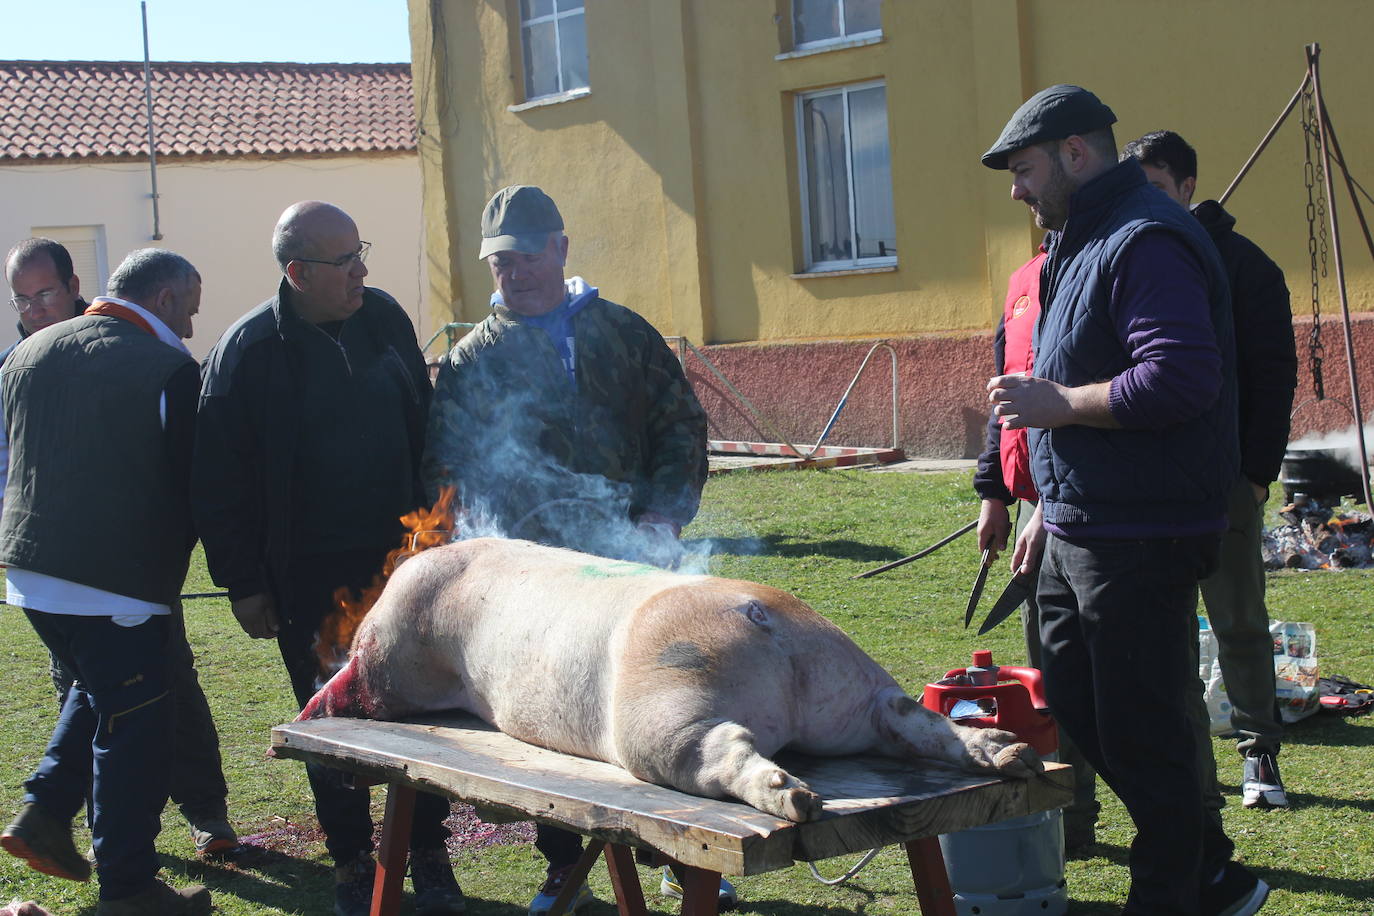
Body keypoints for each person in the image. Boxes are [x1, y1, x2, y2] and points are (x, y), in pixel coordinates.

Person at [982, 85, 1268, 915]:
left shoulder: (1144, 238)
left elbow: (1179, 376)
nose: (1016, 190)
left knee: (1144, 729)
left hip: (1142, 533)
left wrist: (1058, 405)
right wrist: (1044, 506)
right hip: (1078, 525)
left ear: (1077, 153)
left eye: (1025, 169)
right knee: (1074, 704)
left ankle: (1176, 893)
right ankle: (1211, 870)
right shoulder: (1080, 238)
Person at [421, 185, 718, 915]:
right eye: (499, 265)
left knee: (658, 703)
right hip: (537, 581)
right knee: (553, 722)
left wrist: (662, 514)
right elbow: (449, 470)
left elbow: (681, 425)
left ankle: (685, 860)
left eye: (525, 257)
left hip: (633, 560)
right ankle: (566, 867)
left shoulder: (623, 334)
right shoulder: (471, 362)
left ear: (559, 249)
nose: (513, 275)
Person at [191, 202, 463, 916]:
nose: (362, 271)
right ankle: (351, 860)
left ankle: (429, 854)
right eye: (346, 261)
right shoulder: (248, 350)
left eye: (360, 253)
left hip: (400, 562)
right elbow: (216, 483)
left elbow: (424, 427)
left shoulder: (385, 321)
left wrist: (438, 532)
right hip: (305, 575)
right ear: (298, 272)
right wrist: (243, 584)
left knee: (417, 706)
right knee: (330, 718)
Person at [3, 237, 238, 858]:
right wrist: (244, 572)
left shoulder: (28, 354)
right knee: (135, 724)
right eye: (188, 308)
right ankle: (126, 879)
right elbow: (196, 483)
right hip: (117, 579)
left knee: (98, 689)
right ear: (163, 298)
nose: (191, 326)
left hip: (30, 574)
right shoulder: (166, 368)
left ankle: (46, 814)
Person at [1122, 130, 1298, 810]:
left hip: (1224, 478)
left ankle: (1260, 754)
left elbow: (1272, 376)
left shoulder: (1244, 265)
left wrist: (1256, 472)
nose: (1147, 203)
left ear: (1188, 186)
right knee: (1163, 631)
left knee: (1239, 620)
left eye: (1158, 188)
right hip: (1143, 482)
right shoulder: (1130, 255)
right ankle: (1191, 766)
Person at [972, 242, 1102, 853]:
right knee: (1049, 677)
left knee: (1117, 680)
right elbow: (1005, 395)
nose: (1018, 190)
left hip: (1090, 506)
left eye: (1027, 171)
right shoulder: (1024, 280)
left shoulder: (1104, 268)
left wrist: (1049, 508)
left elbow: (1085, 399)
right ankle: (1068, 817)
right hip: (1032, 506)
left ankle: (1191, 835)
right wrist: (994, 493)